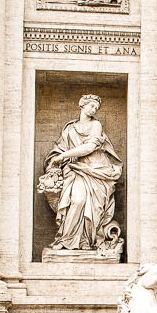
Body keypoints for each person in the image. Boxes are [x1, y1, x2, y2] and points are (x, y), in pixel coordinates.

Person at [44, 94, 122, 251]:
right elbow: (60, 149)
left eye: (96, 108)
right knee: (78, 200)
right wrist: (62, 158)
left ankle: (87, 241)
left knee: (89, 205)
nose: (94, 109)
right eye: (91, 106)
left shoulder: (96, 125)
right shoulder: (69, 128)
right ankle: (66, 239)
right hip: (74, 170)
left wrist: (65, 155)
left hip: (95, 170)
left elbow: (89, 148)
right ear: (82, 105)